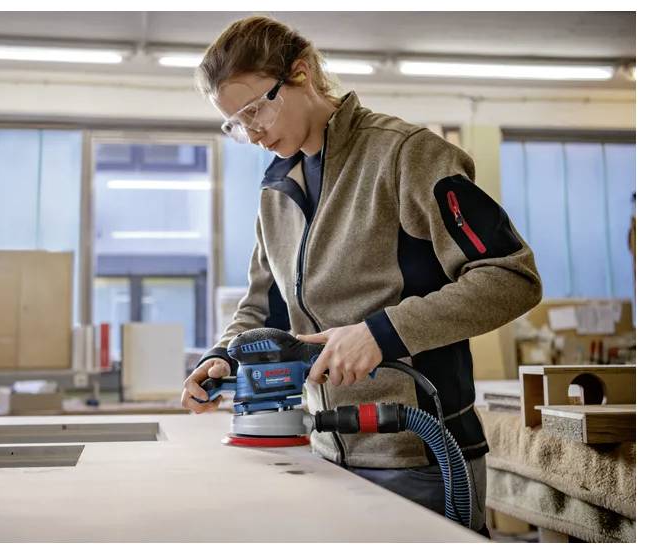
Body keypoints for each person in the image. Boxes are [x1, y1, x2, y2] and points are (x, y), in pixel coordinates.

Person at [180, 15, 542, 534]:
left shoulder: (404, 155)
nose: (251, 130)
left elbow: (511, 276)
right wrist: (225, 354)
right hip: (325, 451)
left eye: (255, 108)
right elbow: (266, 306)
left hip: (422, 455)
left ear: (300, 74)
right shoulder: (275, 189)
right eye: (235, 122)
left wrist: (381, 334)